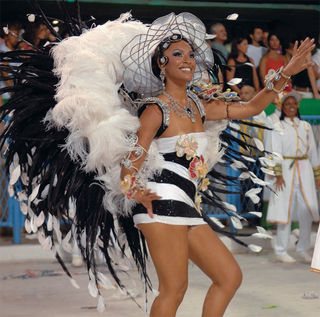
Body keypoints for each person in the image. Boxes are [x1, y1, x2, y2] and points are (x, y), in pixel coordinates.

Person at [0, 12, 315, 317]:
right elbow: (130, 165)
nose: (188, 59)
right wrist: (136, 191)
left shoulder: (199, 107)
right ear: (162, 64)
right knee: (174, 289)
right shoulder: (154, 111)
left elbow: (250, 107)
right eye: (178, 54)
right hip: (159, 202)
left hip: (185, 204)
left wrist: (286, 72)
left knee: (228, 276)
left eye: (191, 54)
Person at [266, 92, 320, 264]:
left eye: (293, 104)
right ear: (282, 107)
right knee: (285, 210)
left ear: (297, 107)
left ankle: (303, 248)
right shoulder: (278, 127)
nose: (290, 107)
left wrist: (317, 174)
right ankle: (281, 250)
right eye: (287, 104)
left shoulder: (305, 126)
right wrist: (278, 174)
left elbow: (313, 151)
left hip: (304, 172)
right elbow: (274, 151)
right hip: (286, 172)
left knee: (306, 211)